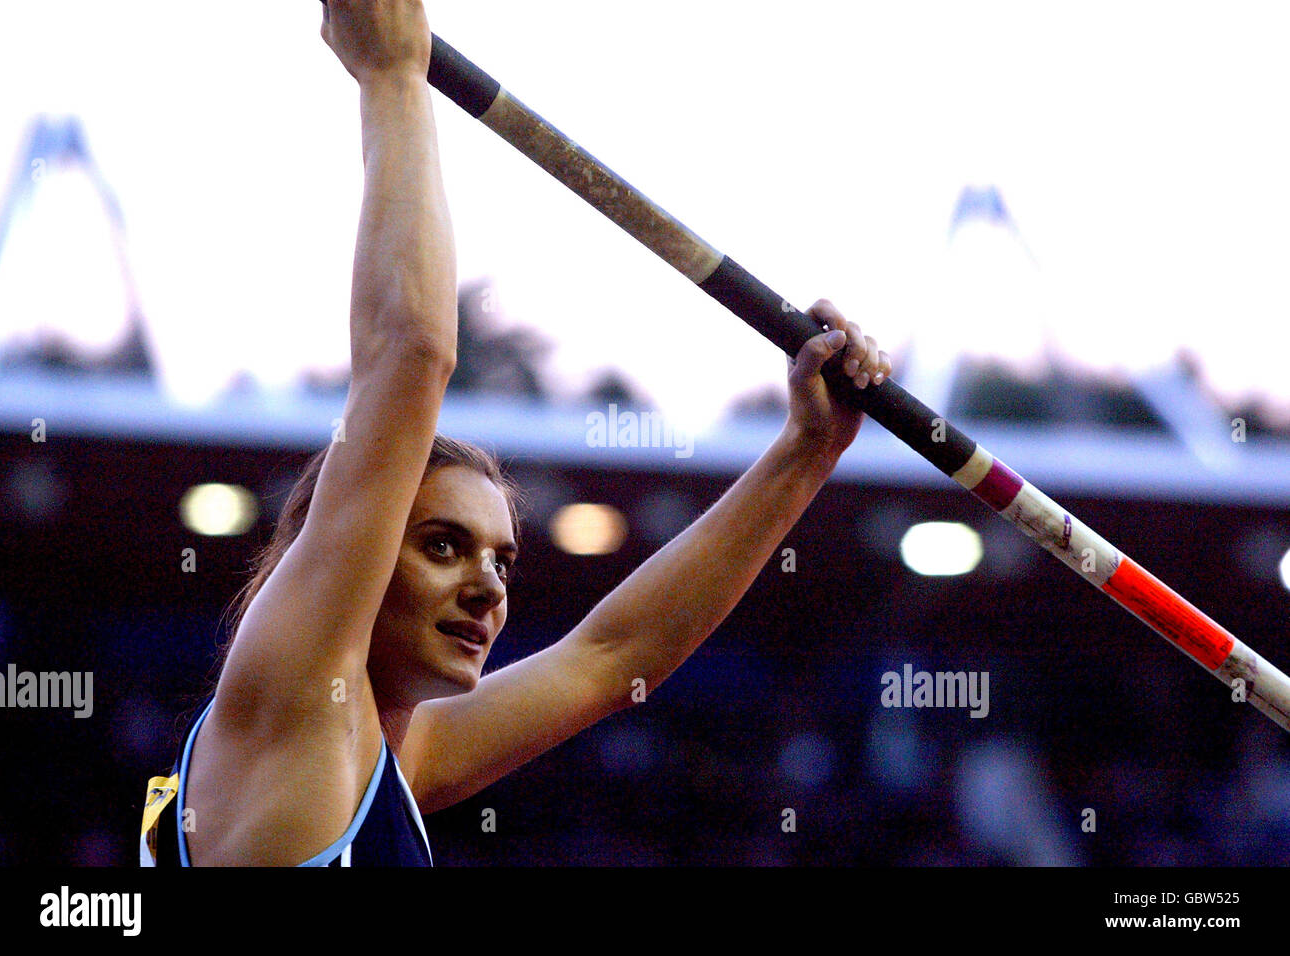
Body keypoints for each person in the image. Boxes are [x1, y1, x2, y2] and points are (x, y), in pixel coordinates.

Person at [140, 0, 892, 866]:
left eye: (501, 559)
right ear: (348, 549)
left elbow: (614, 658)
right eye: (444, 546)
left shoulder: (387, 756)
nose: (488, 588)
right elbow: (410, 354)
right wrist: (391, 77)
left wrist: (807, 454)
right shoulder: (293, 702)